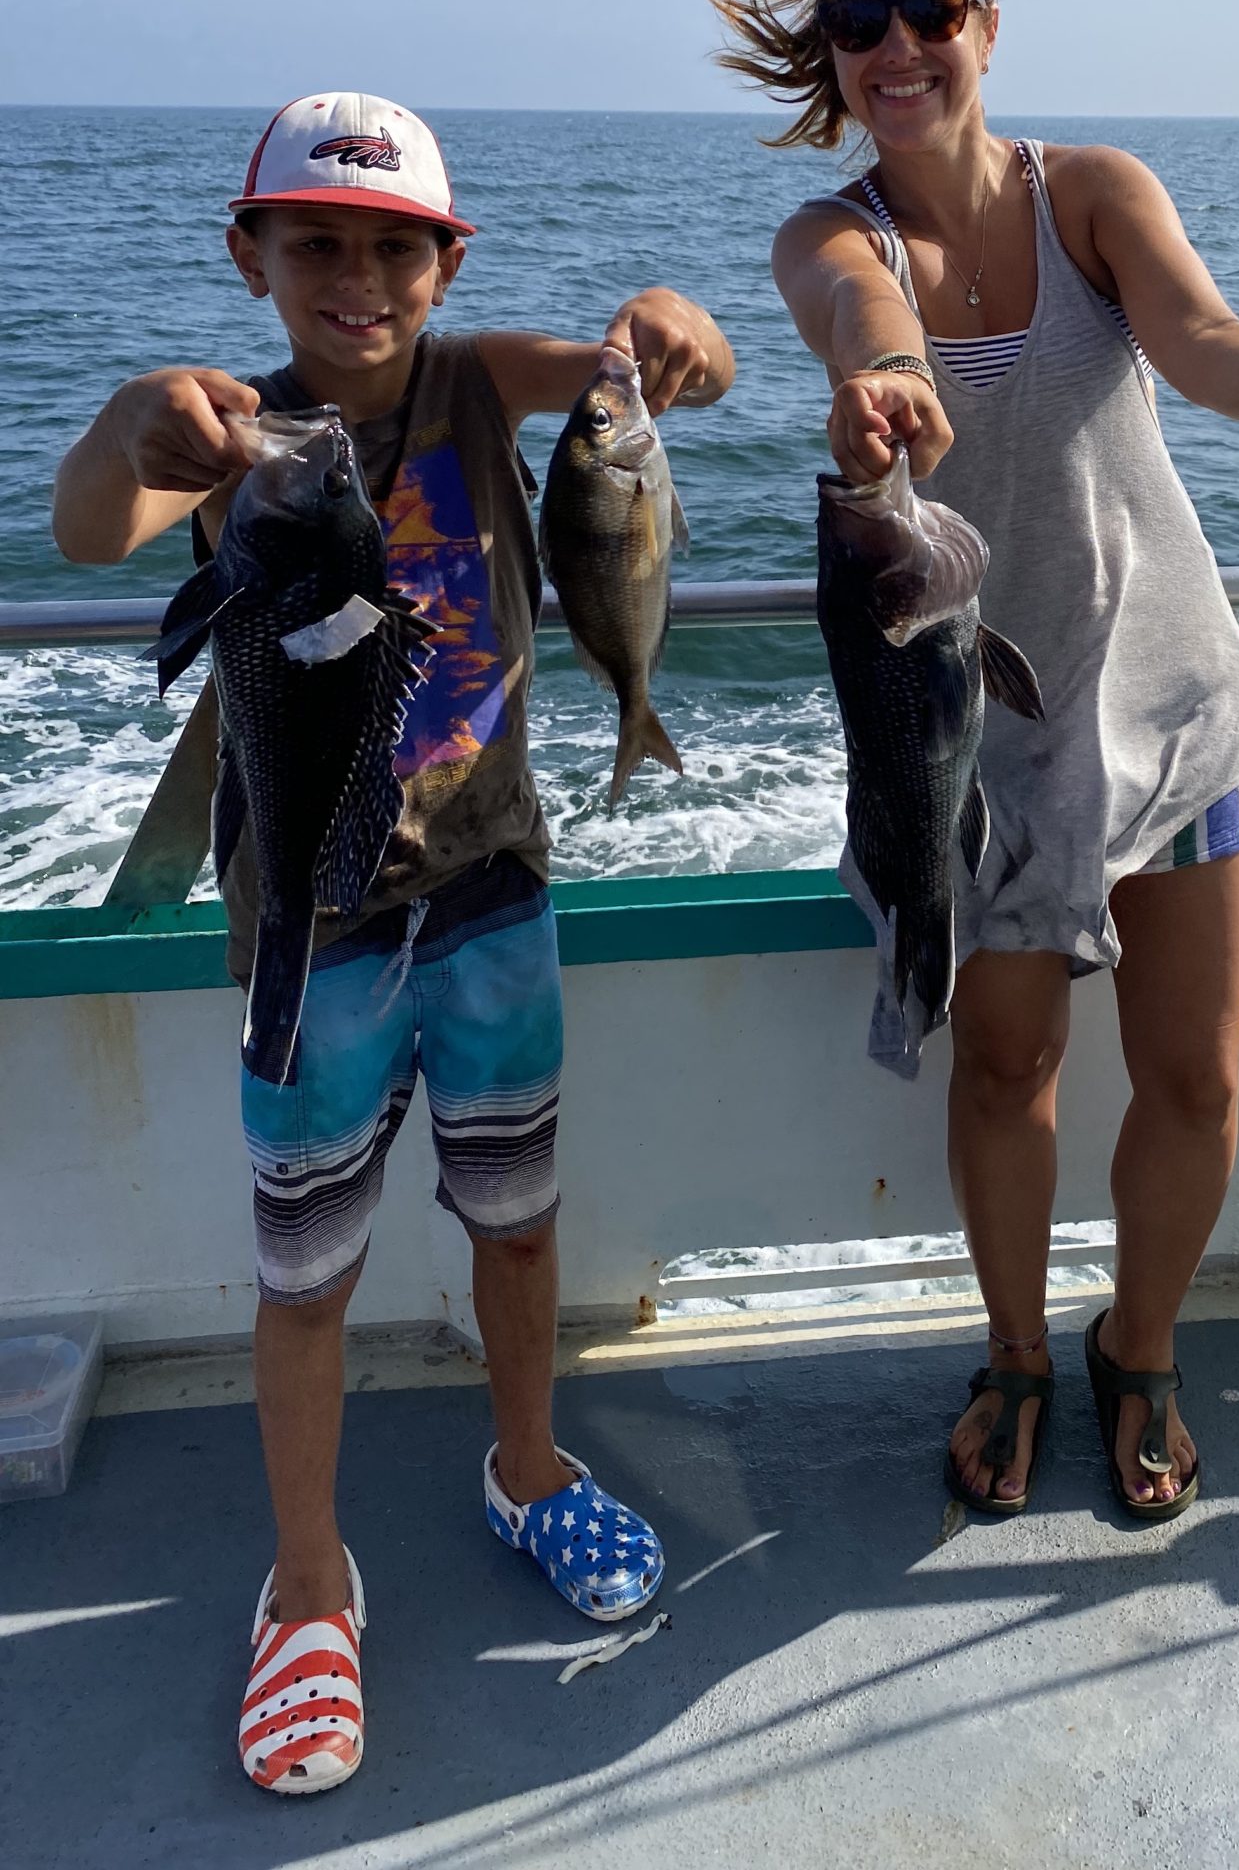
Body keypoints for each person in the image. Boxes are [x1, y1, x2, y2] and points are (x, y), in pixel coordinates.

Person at [51, 92, 735, 1795]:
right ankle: (305, 1580)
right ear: (252, 256)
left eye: (392, 249)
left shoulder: (478, 381)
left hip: (494, 878)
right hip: (311, 928)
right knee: (311, 1271)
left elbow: (661, 366)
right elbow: (85, 530)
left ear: (444, 266)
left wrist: (664, 334)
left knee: (518, 1221)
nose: (356, 279)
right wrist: (133, 424)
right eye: (316, 244)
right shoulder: (233, 433)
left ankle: (527, 1460)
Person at [723, 0, 1239, 1524]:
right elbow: (859, 316)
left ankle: (1136, 1346)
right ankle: (1014, 1350)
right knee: (1005, 1065)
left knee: (1200, 1078)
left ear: (987, 24)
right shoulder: (829, 236)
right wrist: (881, 376)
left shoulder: (1090, 192)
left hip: (1177, 701)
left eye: (929, 10)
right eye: (858, 22)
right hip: (983, 733)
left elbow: (1203, 332)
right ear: (832, 55)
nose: (897, 48)